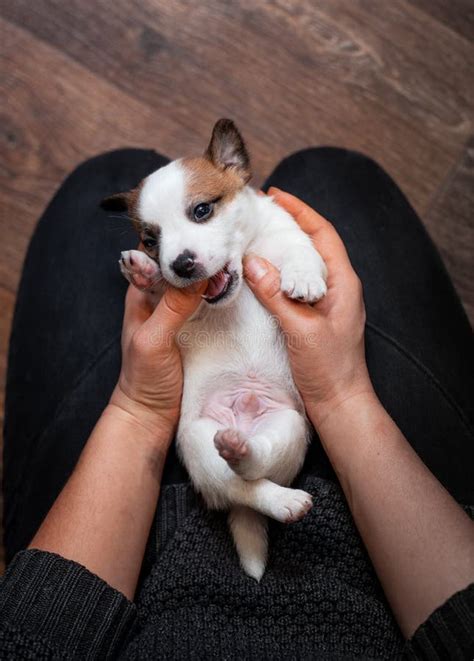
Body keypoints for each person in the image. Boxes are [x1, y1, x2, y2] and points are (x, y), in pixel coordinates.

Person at [1, 146, 473, 660]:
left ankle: (252, 473)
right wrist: (342, 396)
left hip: (163, 520)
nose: (180, 252)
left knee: (282, 432)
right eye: (156, 238)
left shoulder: (264, 223)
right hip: (342, 525)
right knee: (334, 172)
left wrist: (136, 407)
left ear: (234, 171)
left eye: (201, 211)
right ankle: (253, 491)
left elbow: (294, 248)